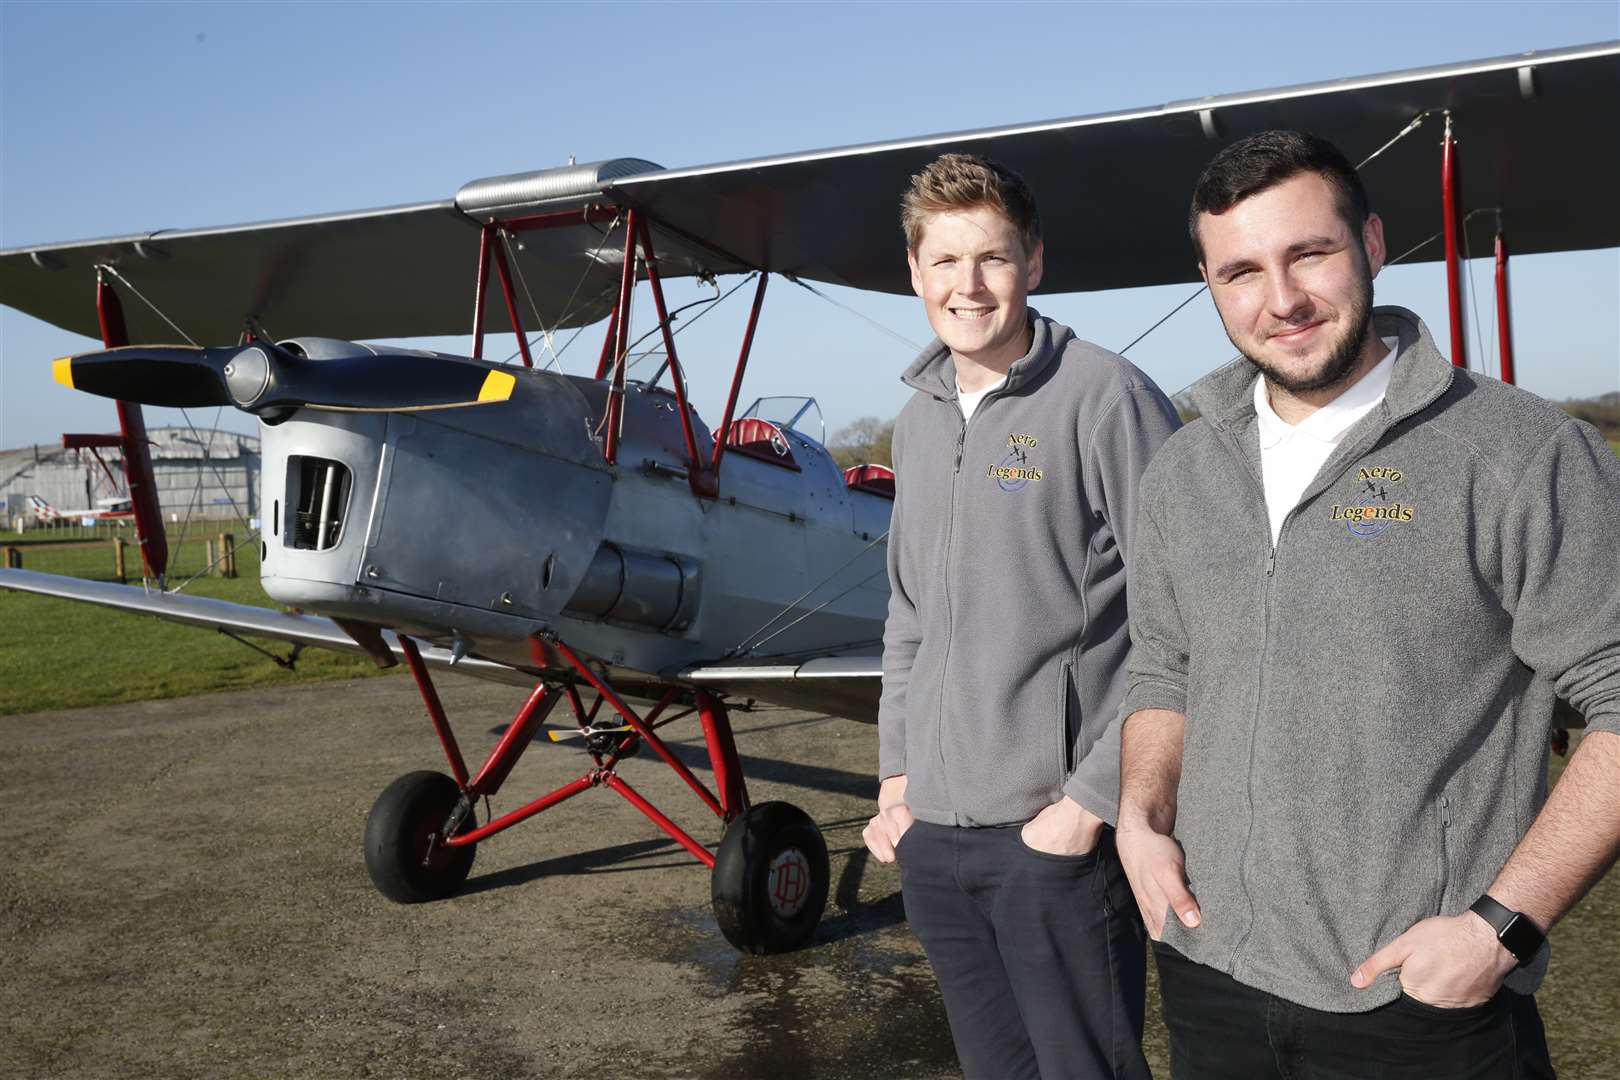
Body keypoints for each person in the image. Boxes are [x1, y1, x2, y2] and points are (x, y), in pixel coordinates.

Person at [1115, 129, 1620, 1078]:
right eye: (1241, 273)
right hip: (1206, 974)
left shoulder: (1522, 451)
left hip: (1419, 1003)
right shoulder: (1184, 470)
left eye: (1310, 253)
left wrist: (1497, 930)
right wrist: (1141, 816)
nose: (1283, 300)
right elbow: (1165, 666)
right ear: (1209, 283)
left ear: (1374, 245)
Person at [862, 152, 1180, 1080]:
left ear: (1033, 263)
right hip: (936, 840)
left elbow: (1187, 617)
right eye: (946, 262)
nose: (969, 286)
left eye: (993, 259)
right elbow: (909, 614)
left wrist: (1085, 809)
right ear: (914, 272)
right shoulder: (916, 422)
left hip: (1054, 841)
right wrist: (896, 782)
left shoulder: (1104, 396)